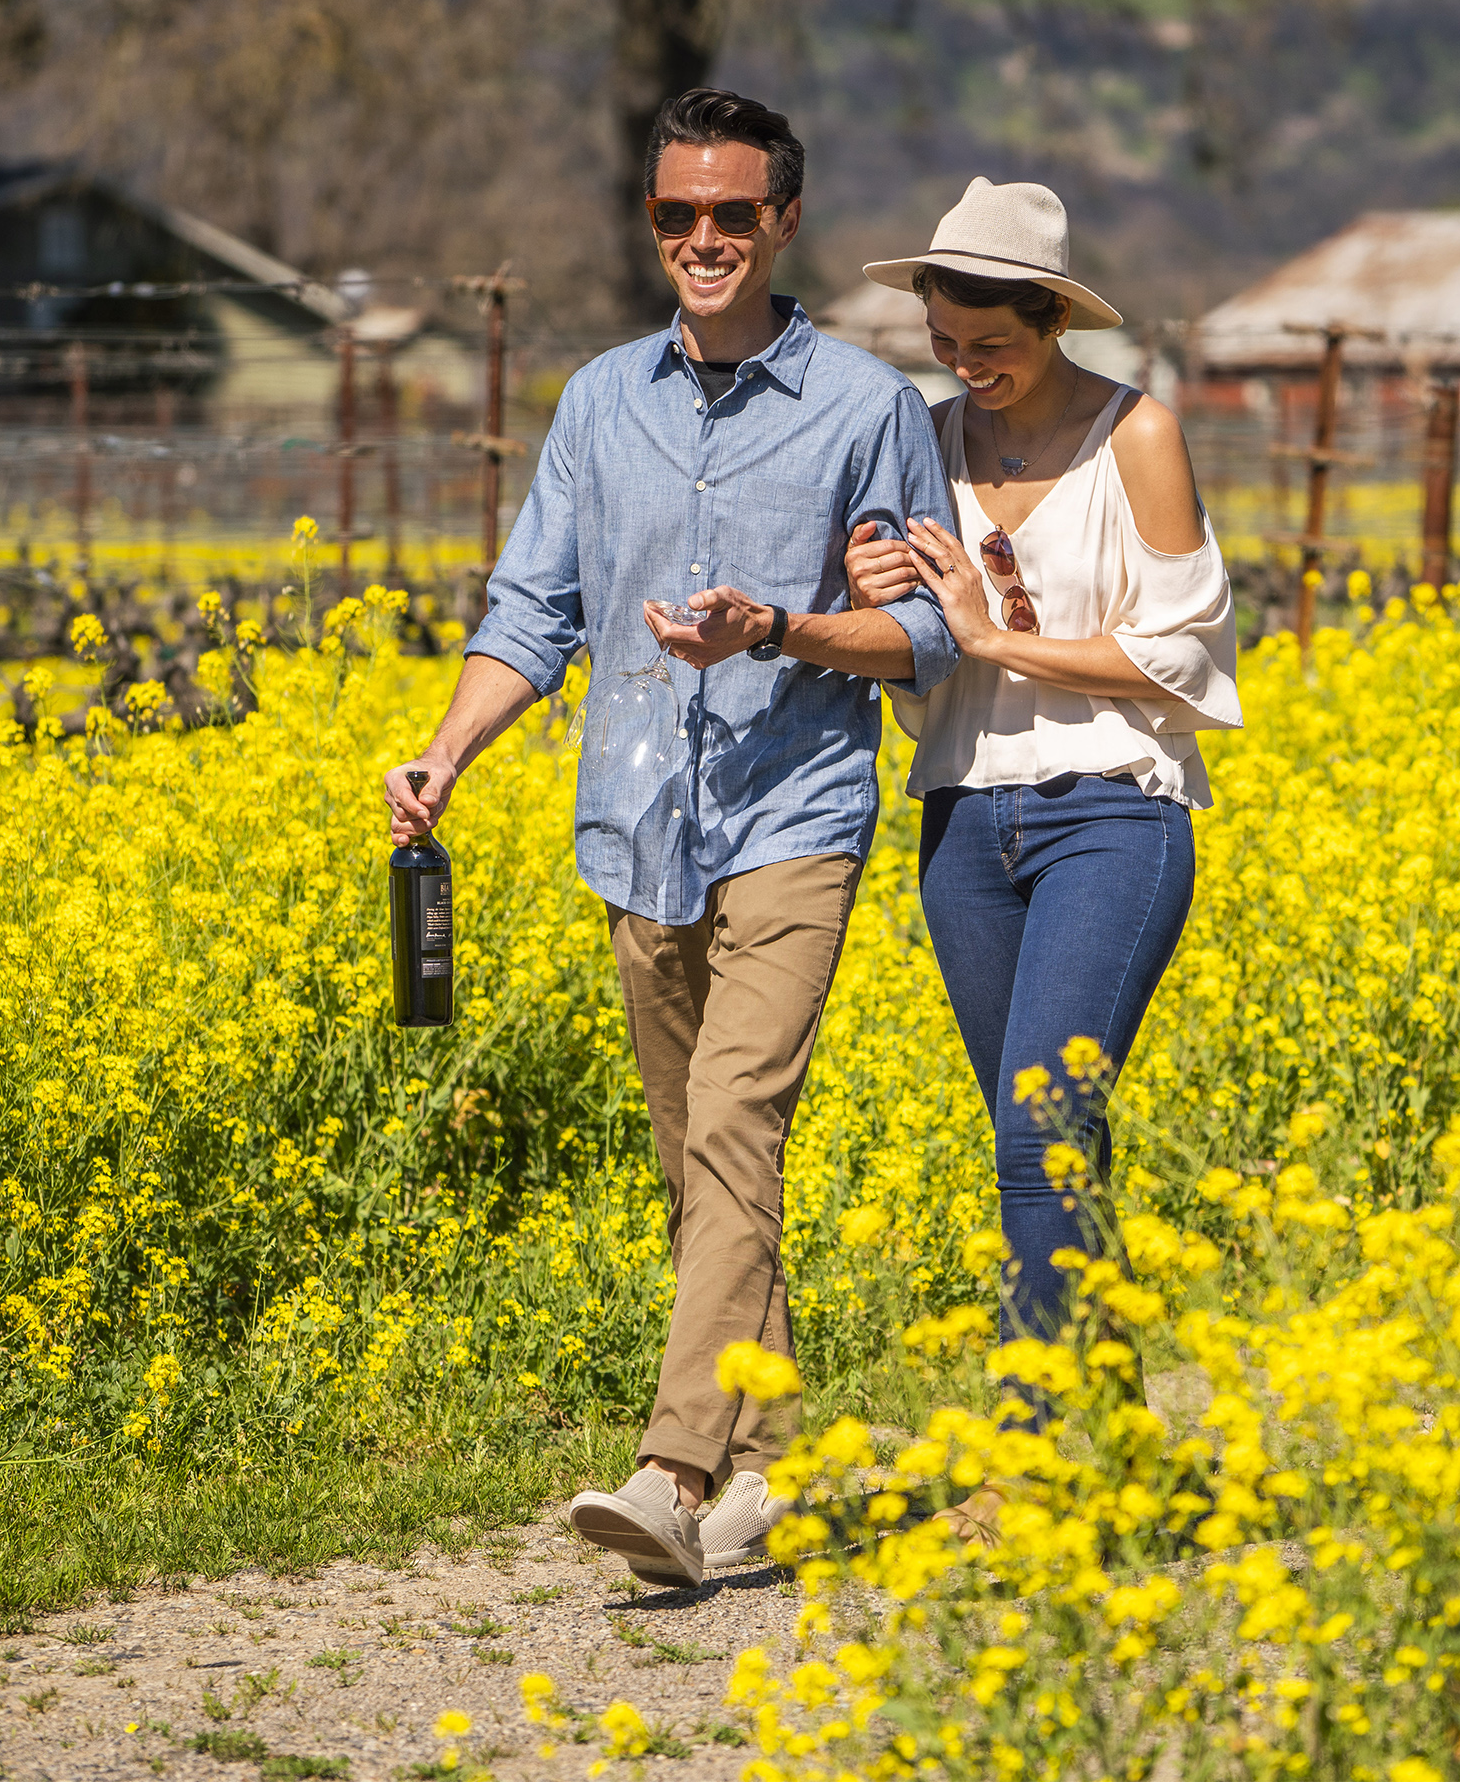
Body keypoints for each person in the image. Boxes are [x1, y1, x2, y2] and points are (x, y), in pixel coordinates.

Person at [380, 89, 959, 1589]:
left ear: (785, 224)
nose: (701, 240)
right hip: (640, 824)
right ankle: (769, 1468)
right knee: (699, 1170)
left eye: (731, 216)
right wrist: (449, 752)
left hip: (794, 820)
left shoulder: (867, 409)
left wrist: (777, 630)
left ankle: (669, 1474)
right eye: (674, 216)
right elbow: (533, 610)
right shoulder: (597, 402)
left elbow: (923, 633)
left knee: (732, 1129)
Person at [843, 177, 1242, 1515]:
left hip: (1112, 811)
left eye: (992, 343)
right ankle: (1129, 1453)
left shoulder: (1139, 437)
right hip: (962, 821)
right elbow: (918, 670)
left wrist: (992, 633)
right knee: (1040, 1148)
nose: (969, 368)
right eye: (946, 344)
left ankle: (1022, 1432)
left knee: (1044, 1121)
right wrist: (884, 613)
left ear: (1051, 315)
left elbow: (1181, 656)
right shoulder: (924, 442)